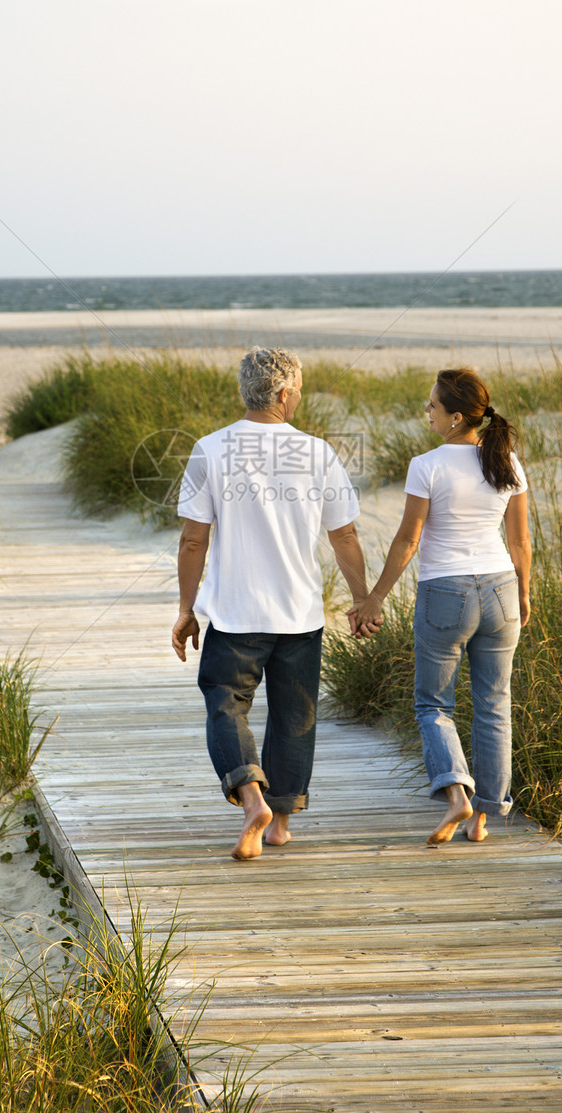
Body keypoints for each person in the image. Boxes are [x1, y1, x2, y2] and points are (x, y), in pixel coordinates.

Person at [171, 346, 376, 861]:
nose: (299, 397)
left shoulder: (210, 450)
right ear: (283, 394)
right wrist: (362, 599)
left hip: (236, 613)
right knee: (294, 715)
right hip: (299, 613)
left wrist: (185, 608)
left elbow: (193, 541)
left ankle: (251, 799)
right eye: (299, 390)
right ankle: (280, 822)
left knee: (224, 704)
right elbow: (345, 534)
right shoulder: (318, 452)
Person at [350, 368, 532, 846]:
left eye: (432, 406)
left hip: (445, 593)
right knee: (494, 705)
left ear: (455, 417)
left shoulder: (426, 464)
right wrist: (525, 592)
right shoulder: (506, 461)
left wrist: (375, 597)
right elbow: (520, 540)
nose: (426, 412)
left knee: (434, 704)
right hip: (501, 590)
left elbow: (409, 539)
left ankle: (456, 793)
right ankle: (484, 818)